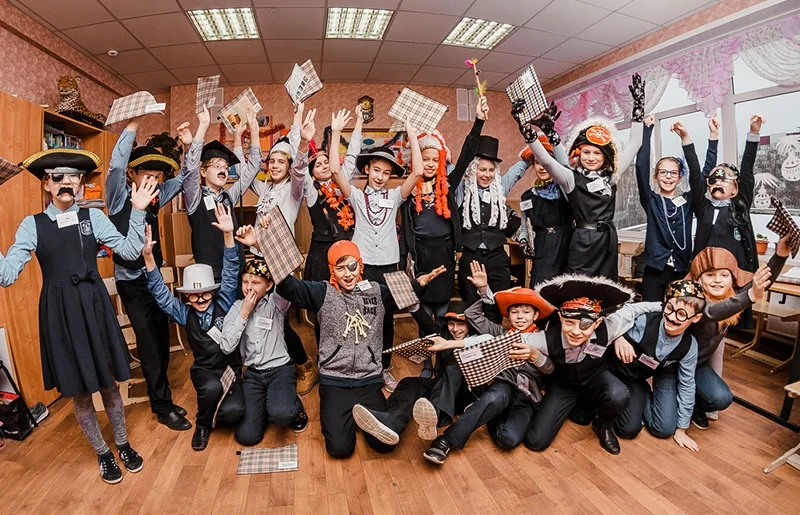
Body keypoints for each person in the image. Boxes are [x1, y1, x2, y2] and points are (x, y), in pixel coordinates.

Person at [0, 149, 158, 484]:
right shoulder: (32, 225)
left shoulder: (93, 218)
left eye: (74, 177)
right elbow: (7, 274)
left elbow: (130, 250)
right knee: (80, 390)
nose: (66, 182)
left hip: (95, 307)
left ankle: (122, 444)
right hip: (61, 314)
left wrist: (138, 211)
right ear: (46, 184)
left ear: (81, 184)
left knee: (110, 384)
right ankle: (103, 453)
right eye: (58, 176)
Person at [263, 237, 441, 458]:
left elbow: (406, 295)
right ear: (332, 269)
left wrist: (420, 284)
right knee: (340, 449)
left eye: (352, 266)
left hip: (369, 380)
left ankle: (403, 395)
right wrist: (263, 245)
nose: (347, 274)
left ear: (360, 265)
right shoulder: (322, 292)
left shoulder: (377, 292)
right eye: (340, 268)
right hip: (334, 381)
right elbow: (287, 286)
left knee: (385, 445)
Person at [419, 263, 557, 465]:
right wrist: (487, 291)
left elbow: (551, 369)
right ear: (508, 315)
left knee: (508, 439)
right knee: (495, 396)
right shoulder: (499, 332)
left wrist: (535, 356)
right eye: (515, 311)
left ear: (535, 315)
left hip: (527, 397)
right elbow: (472, 315)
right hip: (502, 389)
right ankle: (445, 441)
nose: (520, 317)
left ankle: (483, 412)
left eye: (526, 312)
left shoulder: (544, 339)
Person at [515, 74, 646, 280]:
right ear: (579, 153)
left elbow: (635, 143)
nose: (591, 158)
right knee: (579, 289)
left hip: (607, 241)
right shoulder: (571, 178)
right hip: (582, 241)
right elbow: (547, 161)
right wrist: (527, 130)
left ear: (605, 156)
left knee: (606, 290)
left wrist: (638, 108)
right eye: (586, 152)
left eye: (597, 153)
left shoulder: (613, 175)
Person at [106, 114, 191, 431]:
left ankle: (162, 398)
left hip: (155, 279)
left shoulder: (156, 197)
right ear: (132, 174)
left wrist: (187, 148)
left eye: (157, 176)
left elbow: (183, 179)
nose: (153, 181)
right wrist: (132, 126)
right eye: (147, 175)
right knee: (149, 344)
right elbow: (115, 168)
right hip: (131, 283)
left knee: (161, 336)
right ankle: (162, 406)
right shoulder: (118, 197)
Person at [331, 119, 424, 392]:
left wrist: (412, 133)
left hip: (388, 267)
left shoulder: (395, 196)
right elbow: (335, 171)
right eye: (376, 170)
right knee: (357, 316)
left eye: (386, 172)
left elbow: (418, 172)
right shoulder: (356, 197)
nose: (381, 176)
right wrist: (336, 132)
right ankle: (359, 365)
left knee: (384, 318)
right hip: (361, 268)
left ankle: (384, 368)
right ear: (367, 170)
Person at [144, 204, 246, 451]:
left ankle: (220, 407)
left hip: (230, 368)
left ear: (213, 291)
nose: (200, 300)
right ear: (186, 296)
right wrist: (148, 258)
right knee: (211, 388)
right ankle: (203, 424)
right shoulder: (184, 313)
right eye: (193, 295)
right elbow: (161, 295)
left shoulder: (224, 302)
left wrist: (228, 235)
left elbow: (231, 270)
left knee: (234, 413)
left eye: (205, 294)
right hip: (205, 371)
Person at [525, 275, 661, 455]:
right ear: (560, 317)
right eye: (569, 322)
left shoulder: (608, 327)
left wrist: (665, 306)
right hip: (563, 385)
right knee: (536, 441)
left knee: (619, 394)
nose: (575, 332)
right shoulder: (547, 339)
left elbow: (633, 309)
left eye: (585, 325)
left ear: (597, 323)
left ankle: (603, 425)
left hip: (595, 378)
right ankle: (579, 410)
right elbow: (516, 340)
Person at [399, 97, 488, 333]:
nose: (429, 164)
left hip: (445, 252)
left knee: (442, 309)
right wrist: (402, 261)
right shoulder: (408, 191)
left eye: (434, 160)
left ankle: (444, 348)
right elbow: (405, 232)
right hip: (421, 254)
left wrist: (478, 121)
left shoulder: (447, 185)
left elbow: (467, 155)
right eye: (424, 159)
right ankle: (427, 349)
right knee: (423, 307)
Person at [249, 104, 320, 394]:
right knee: (260, 317)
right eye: (272, 161)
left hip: (280, 262)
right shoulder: (264, 189)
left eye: (282, 161)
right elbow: (248, 173)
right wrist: (248, 133)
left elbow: (301, 169)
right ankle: (271, 365)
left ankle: (304, 365)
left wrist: (302, 142)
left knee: (278, 319)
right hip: (258, 260)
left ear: (289, 166)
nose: (276, 165)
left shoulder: (293, 190)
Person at [684, 235, 790, 428]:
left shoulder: (731, 296)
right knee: (665, 423)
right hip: (676, 366)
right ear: (699, 279)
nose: (718, 281)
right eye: (710, 275)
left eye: (724, 275)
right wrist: (750, 295)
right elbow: (711, 311)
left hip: (699, 365)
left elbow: (761, 282)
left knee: (722, 398)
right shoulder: (692, 299)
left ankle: (697, 405)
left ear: (732, 279)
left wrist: (780, 255)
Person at [348, 299, 476, 451]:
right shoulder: (445, 334)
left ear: (470, 324)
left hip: (466, 395)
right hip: (442, 389)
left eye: (460, 324)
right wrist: (414, 306)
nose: (455, 329)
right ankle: (391, 422)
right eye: (451, 324)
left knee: (452, 367)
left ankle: (435, 415)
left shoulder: (479, 338)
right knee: (409, 383)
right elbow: (428, 326)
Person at [221, 254, 308, 446]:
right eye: (245, 282)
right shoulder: (237, 307)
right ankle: (270, 406)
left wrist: (262, 247)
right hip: (253, 374)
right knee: (246, 436)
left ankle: (294, 405)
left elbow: (285, 278)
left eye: (255, 282)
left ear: (268, 285)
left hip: (280, 370)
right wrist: (244, 313)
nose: (249, 287)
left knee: (282, 414)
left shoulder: (276, 302)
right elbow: (226, 347)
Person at [610, 280, 705, 452]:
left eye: (681, 314)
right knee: (625, 426)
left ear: (696, 318)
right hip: (612, 371)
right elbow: (611, 321)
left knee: (661, 429)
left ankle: (641, 398)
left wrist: (682, 428)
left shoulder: (689, 345)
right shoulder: (645, 322)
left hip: (636, 381)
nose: (672, 317)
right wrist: (618, 337)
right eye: (669, 309)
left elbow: (687, 384)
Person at [635, 116, 719, 301]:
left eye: (673, 173)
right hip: (654, 271)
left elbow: (703, 175)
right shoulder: (651, 200)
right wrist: (647, 131)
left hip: (681, 269)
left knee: (679, 312)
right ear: (656, 176)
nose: (668, 177)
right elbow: (641, 166)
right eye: (663, 172)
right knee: (652, 313)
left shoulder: (688, 201)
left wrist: (712, 137)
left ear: (680, 177)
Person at [184, 105, 260, 280]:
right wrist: (203, 126)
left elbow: (252, 169)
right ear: (203, 172)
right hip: (210, 274)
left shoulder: (229, 196)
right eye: (217, 166)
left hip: (235, 270)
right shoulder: (194, 198)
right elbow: (190, 171)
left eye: (226, 168)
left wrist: (254, 132)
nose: (223, 170)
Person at [456, 129, 523, 309]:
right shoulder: (462, 190)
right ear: (473, 170)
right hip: (471, 256)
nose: (487, 174)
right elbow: (455, 169)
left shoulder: (499, 189)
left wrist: (532, 150)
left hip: (497, 257)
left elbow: (516, 171)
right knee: (471, 306)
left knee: (498, 303)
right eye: (482, 169)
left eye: (491, 170)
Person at [690, 114, 764, 276]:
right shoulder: (703, 208)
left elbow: (747, 171)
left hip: (738, 276)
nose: (718, 183)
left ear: (735, 188)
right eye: (714, 180)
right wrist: (712, 137)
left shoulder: (740, 206)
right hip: (707, 276)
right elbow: (695, 176)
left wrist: (753, 134)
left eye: (724, 180)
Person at [516, 135, 574, 287]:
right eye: (537, 163)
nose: (542, 167)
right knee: (540, 288)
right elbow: (524, 228)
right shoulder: (527, 196)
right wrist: (523, 240)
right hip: (542, 248)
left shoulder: (566, 189)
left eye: (546, 163)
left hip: (566, 246)